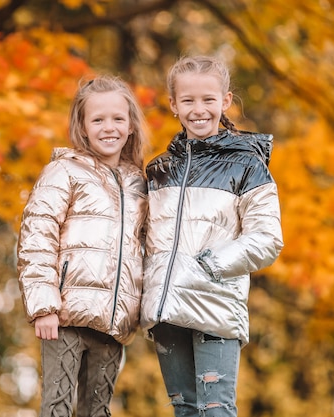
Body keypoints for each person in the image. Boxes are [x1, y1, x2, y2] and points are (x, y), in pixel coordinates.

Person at [140, 55, 284, 417]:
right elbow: (145, 238)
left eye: (208, 99)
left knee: (216, 410)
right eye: (188, 100)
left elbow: (267, 239)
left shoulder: (247, 164)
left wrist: (209, 267)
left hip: (215, 304)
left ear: (226, 100)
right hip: (167, 309)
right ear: (173, 104)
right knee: (185, 410)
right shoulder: (158, 170)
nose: (198, 109)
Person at [16, 75, 149, 417]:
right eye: (98, 119)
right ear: (83, 126)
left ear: (131, 125)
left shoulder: (141, 184)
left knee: (98, 411)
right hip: (65, 318)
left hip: (113, 325)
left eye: (118, 119)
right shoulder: (64, 172)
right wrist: (44, 305)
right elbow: (37, 236)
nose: (109, 127)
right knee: (57, 408)